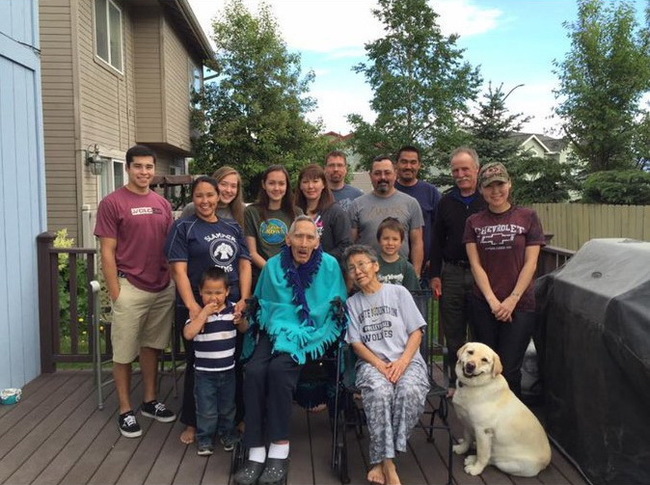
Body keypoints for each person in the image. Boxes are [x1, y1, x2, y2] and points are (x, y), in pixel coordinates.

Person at [234, 216, 347, 485]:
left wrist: (316, 319)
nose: (304, 243)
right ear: (288, 239)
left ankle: (279, 448)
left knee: (278, 369)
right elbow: (262, 301)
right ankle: (256, 449)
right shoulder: (273, 266)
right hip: (274, 329)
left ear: (317, 242)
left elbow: (337, 302)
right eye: (299, 237)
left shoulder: (330, 266)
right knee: (254, 370)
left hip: (310, 332)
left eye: (310, 238)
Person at [94, 144, 176, 438]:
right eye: (138, 166)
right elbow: (107, 251)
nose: (144, 172)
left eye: (149, 167)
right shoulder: (112, 202)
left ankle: (150, 401)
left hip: (162, 286)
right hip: (130, 286)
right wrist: (116, 291)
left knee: (153, 345)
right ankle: (125, 410)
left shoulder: (162, 204)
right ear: (128, 168)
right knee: (124, 352)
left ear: (155, 170)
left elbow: (170, 243)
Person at [165, 176, 252, 446]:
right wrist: (193, 306)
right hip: (196, 304)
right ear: (193, 198)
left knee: (233, 362)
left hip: (230, 306)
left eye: (210, 195)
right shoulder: (183, 227)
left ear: (218, 197)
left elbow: (245, 264)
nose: (205, 201)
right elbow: (178, 269)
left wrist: (244, 300)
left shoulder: (232, 226)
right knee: (197, 364)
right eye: (200, 196)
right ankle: (193, 421)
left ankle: (236, 417)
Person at [344, 244, 430, 485]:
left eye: (362, 264)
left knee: (409, 390)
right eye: (352, 268)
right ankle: (390, 465)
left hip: (408, 359)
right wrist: (381, 366)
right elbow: (356, 344)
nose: (358, 271)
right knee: (380, 392)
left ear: (376, 266)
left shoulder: (398, 292)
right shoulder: (352, 303)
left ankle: (381, 461)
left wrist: (402, 362)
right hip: (372, 364)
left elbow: (416, 333)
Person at [463, 162, 545, 398]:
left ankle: (511, 426)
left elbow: (531, 263)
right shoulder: (474, 222)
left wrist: (512, 300)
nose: (495, 191)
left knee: (509, 369)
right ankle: (483, 421)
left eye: (500, 184)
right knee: (482, 368)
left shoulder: (527, 217)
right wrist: (492, 301)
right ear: (481, 190)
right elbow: (475, 264)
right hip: (484, 304)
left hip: (520, 306)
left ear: (509, 185)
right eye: (489, 186)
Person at [429, 147, 486, 390]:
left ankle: (480, 383)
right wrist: (434, 275)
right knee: (453, 333)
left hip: (481, 274)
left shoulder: (487, 201)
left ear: (477, 170)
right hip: (451, 273)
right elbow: (437, 241)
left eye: (465, 169)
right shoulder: (446, 202)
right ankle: (453, 382)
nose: (460, 174)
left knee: (481, 329)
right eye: (455, 170)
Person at [183, 267, 249, 456]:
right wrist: (203, 314)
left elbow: (244, 329)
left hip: (228, 370)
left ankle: (228, 434)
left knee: (228, 407)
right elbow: (188, 334)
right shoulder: (197, 314)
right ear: (200, 292)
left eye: (219, 292)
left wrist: (240, 321)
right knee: (206, 409)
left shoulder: (232, 310)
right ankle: (205, 438)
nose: (214, 297)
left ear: (227, 291)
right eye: (209, 293)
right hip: (204, 373)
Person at [349, 155, 425, 277]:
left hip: (400, 276)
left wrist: (415, 275)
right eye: (377, 173)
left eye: (387, 173)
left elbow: (417, 242)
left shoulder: (411, 203)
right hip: (366, 276)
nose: (382, 177)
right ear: (370, 175)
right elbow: (350, 245)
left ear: (395, 174)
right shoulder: (357, 205)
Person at [244, 165, 299, 281]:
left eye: (281, 184)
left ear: (287, 186)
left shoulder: (297, 213)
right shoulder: (251, 212)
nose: (276, 188)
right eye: (272, 183)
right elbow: (252, 252)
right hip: (262, 276)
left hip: (291, 275)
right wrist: (272, 271)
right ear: (264, 185)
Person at [394, 145, 441, 277]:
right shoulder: (389, 191)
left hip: (425, 267)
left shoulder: (431, 192)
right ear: (396, 164)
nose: (408, 166)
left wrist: (434, 258)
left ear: (419, 165)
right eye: (404, 161)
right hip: (392, 266)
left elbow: (440, 229)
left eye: (413, 162)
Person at [295, 163, 351, 263]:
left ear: (324, 184)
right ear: (300, 186)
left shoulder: (336, 212)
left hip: (327, 269)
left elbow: (345, 246)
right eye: (305, 182)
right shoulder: (294, 212)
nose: (310, 186)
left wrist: (318, 259)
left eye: (315, 181)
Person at [180, 166, 246, 226]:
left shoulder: (243, 211)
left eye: (233, 186)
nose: (228, 190)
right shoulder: (191, 209)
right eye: (223, 184)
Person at [376, 217, 419, 291]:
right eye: (386, 238)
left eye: (395, 239)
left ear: (401, 242)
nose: (390, 243)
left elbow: (413, 295)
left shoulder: (407, 268)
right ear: (379, 240)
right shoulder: (371, 265)